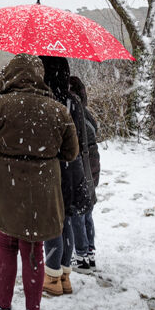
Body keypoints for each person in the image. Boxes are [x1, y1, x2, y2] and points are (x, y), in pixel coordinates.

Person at [0, 54, 79, 310]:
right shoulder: (56, 110)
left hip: (5, 190)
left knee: (5, 246)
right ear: (38, 77)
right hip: (40, 193)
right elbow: (71, 152)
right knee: (33, 250)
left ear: (10, 76)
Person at [39, 57, 94, 296]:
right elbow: (82, 139)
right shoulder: (73, 102)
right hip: (74, 168)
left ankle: (52, 279)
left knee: (53, 223)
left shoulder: (45, 103)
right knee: (67, 220)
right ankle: (65, 276)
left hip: (54, 169)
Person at [68, 75, 100, 270]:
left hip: (82, 164)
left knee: (77, 211)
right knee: (87, 209)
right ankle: (89, 251)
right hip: (93, 163)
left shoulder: (74, 113)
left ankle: (80, 256)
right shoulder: (86, 113)